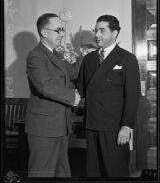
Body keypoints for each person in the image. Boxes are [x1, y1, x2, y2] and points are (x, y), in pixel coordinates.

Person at [77, 15, 141, 177]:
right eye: (95, 30)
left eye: (102, 30)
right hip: (92, 125)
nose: (97, 35)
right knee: (94, 172)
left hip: (115, 127)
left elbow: (132, 95)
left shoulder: (127, 58)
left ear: (114, 33)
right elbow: (80, 89)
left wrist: (126, 126)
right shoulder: (88, 59)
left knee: (116, 172)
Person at [25, 13, 81, 177]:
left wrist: (86, 55)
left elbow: (71, 73)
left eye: (62, 29)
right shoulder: (35, 55)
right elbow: (45, 86)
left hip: (60, 125)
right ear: (44, 32)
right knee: (41, 172)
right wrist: (73, 97)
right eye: (58, 30)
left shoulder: (56, 54)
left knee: (61, 172)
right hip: (44, 127)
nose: (62, 34)